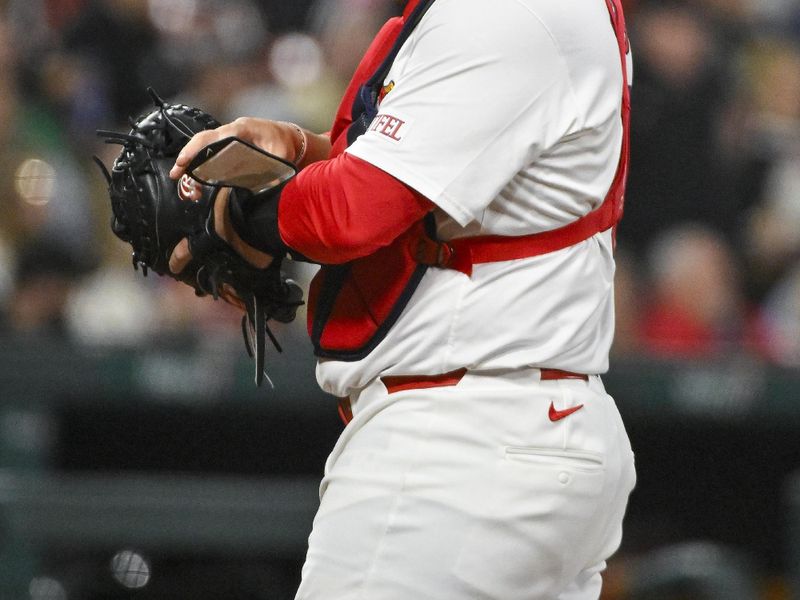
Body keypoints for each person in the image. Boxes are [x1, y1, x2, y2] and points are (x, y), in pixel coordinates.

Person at [169, 0, 636, 598]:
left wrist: (240, 217)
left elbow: (353, 210)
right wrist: (301, 151)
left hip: (462, 448)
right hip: (519, 432)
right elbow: (439, 176)